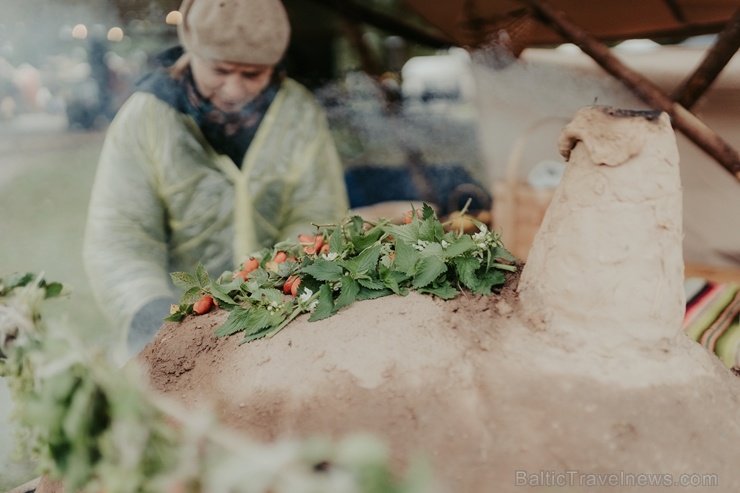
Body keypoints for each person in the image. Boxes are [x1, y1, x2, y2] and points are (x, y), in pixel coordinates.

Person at [82, 0, 350, 358]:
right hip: (177, 327)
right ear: (191, 52)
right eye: (220, 70)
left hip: (280, 322)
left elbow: (318, 215)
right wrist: (160, 326)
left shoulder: (298, 114)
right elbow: (122, 241)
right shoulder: (146, 119)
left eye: (253, 75)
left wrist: (276, 291)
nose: (235, 89)